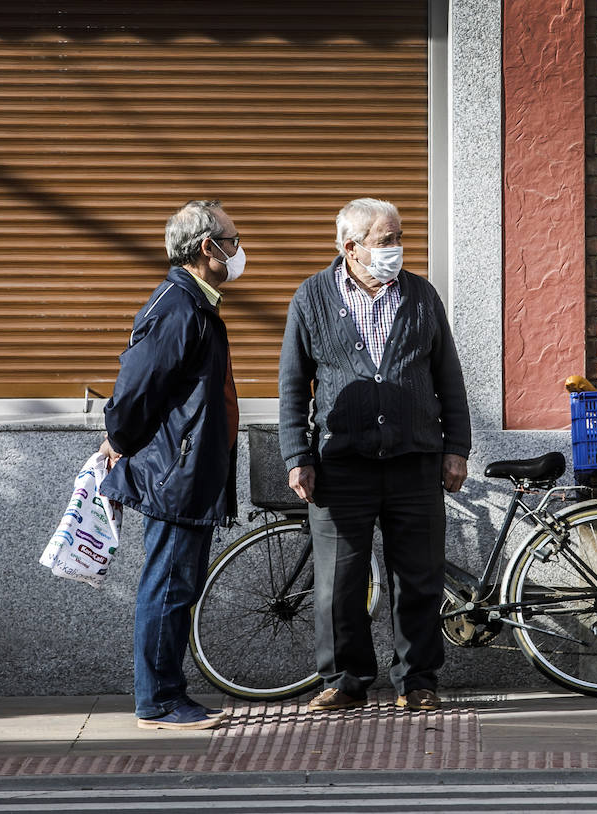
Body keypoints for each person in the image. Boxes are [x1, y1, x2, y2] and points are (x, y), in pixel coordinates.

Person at [278, 197, 471, 713]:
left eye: (398, 238)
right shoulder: (312, 297)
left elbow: (448, 378)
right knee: (339, 581)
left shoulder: (422, 296)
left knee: (420, 578)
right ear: (351, 247)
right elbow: (294, 386)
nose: (397, 249)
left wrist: (457, 448)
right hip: (342, 466)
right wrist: (297, 453)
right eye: (386, 241)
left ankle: (419, 681)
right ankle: (345, 679)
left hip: (415, 461)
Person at [97, 199, 245, 731]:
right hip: (175, 474)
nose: (238, 249)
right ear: (207, 248)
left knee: (177, 585)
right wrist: (119, 437)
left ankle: (166, 692)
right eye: (231, 240)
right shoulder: (177, 307)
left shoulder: (194, 304)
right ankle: (158, 700)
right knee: (168, 586)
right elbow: (136, 387)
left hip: (189, 471)